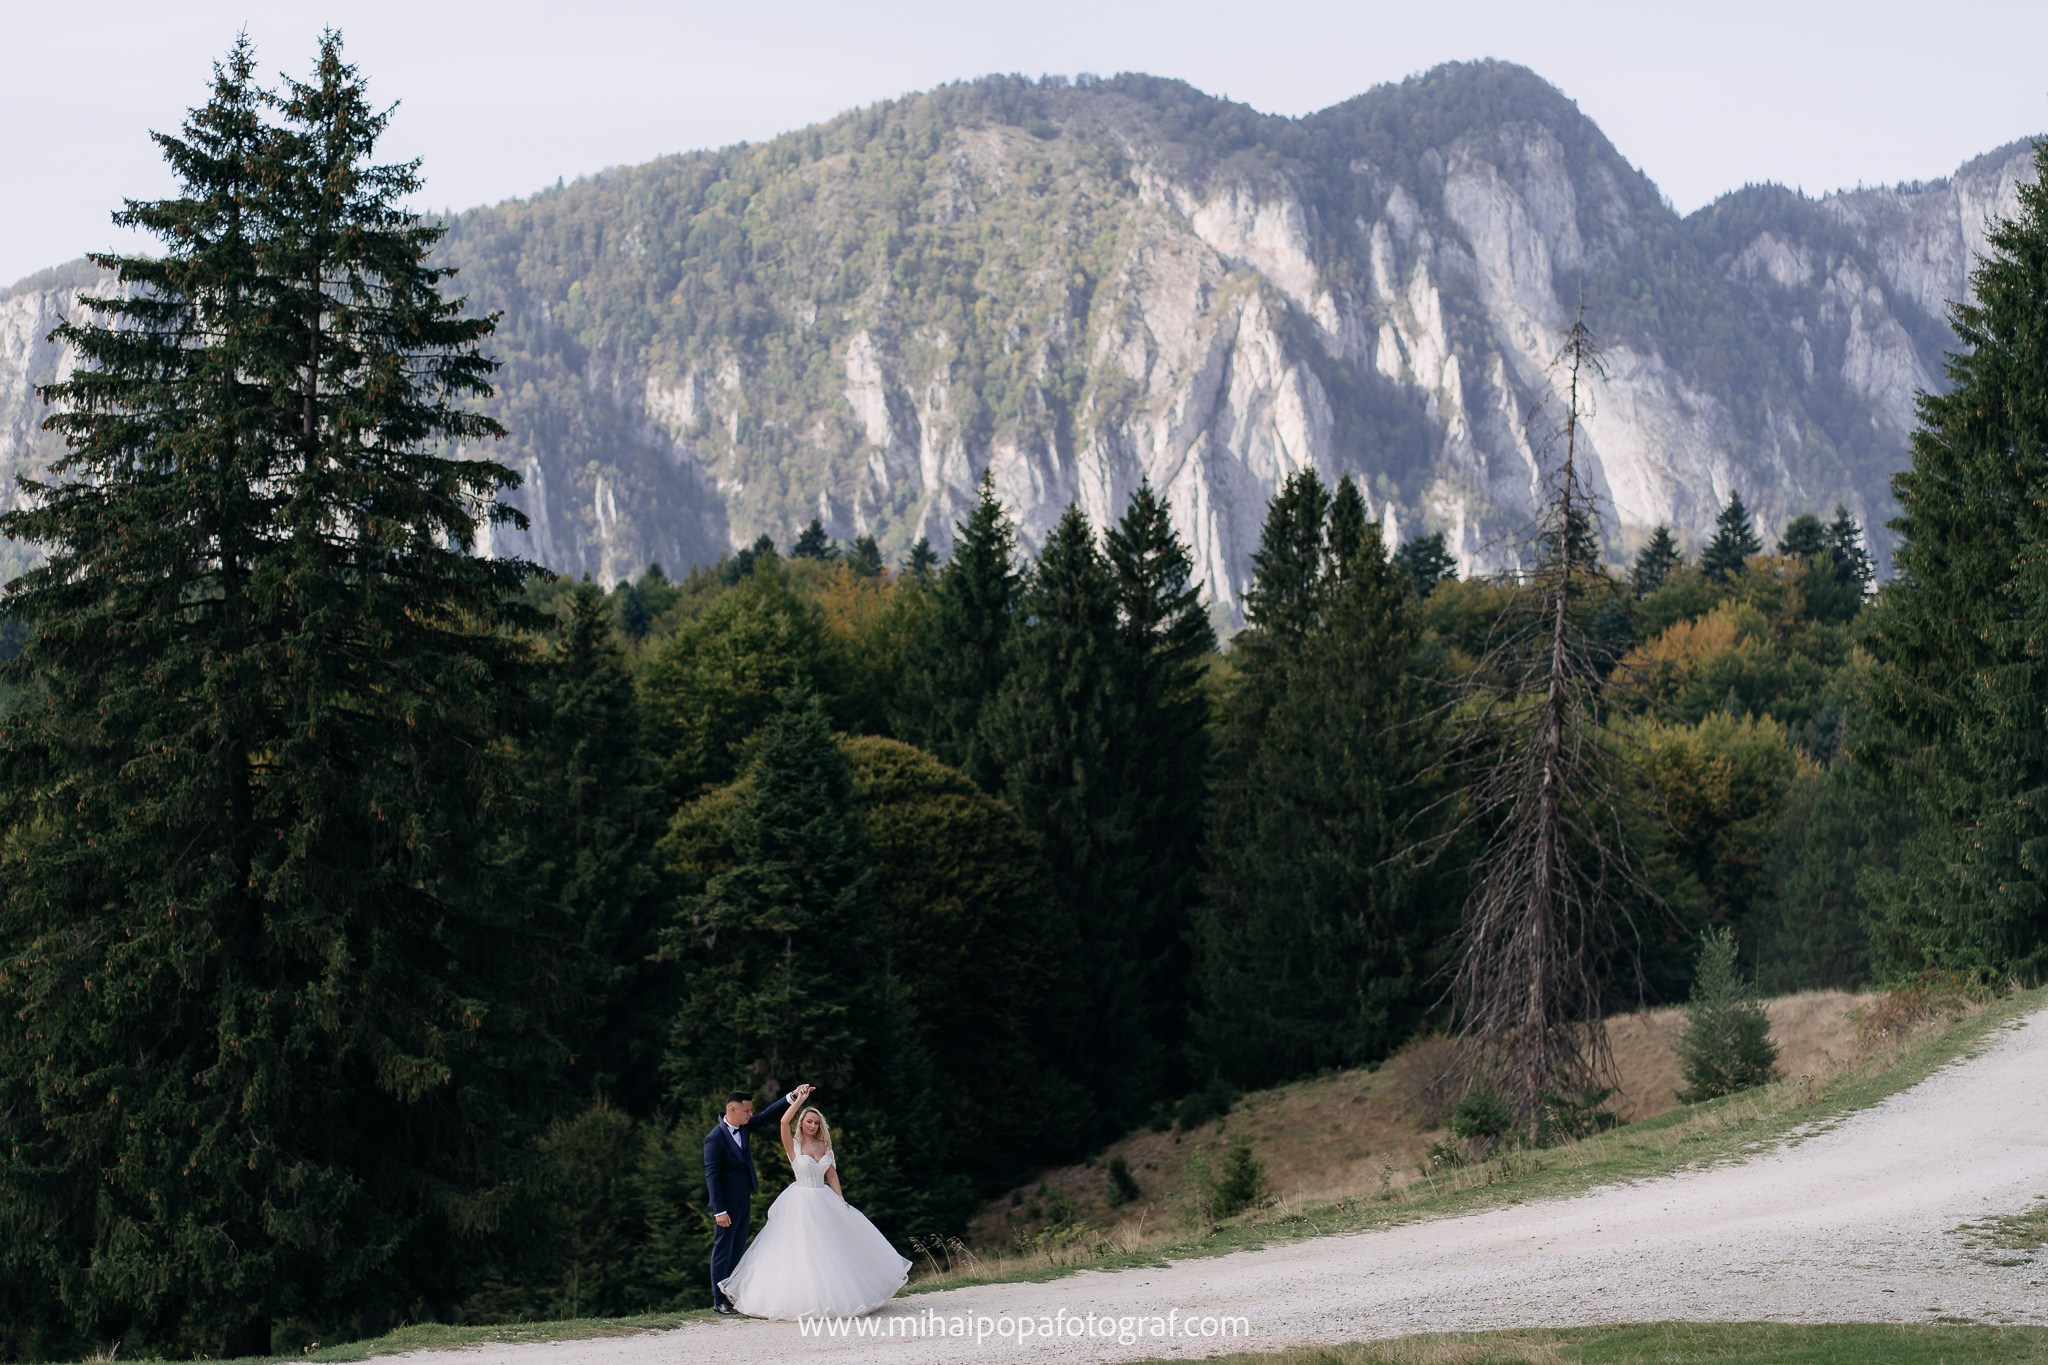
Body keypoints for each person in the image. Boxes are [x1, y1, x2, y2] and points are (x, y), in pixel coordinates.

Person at [717, 1098, 912, 1318]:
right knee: (801, 1249)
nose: (812, 1126)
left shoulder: (825, 1146)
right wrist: (799, 1100)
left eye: (816, 1123)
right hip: (800, 1201)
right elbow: (783, 1122)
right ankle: (800, 1300)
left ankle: (838, 1297)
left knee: (832, 1249)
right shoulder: (794, 1146)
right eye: (809, 1121)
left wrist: (840, 1200)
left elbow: (831, 1174)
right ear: (801, 1123)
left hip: (824, 1199)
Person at [704, 1083, 808, 1313]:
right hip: (725, 1205)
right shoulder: (714, 1139)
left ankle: (732, 1294)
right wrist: (719, 1210)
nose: (751, 1114)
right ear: (732, 1110)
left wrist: (792, 1096)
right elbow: (712, 1176)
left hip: (743, 1198)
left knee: (738, 1247)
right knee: (723, 1249)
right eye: (747, 1111)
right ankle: (718, 1300)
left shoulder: (744, 1128)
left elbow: (768, 1115)